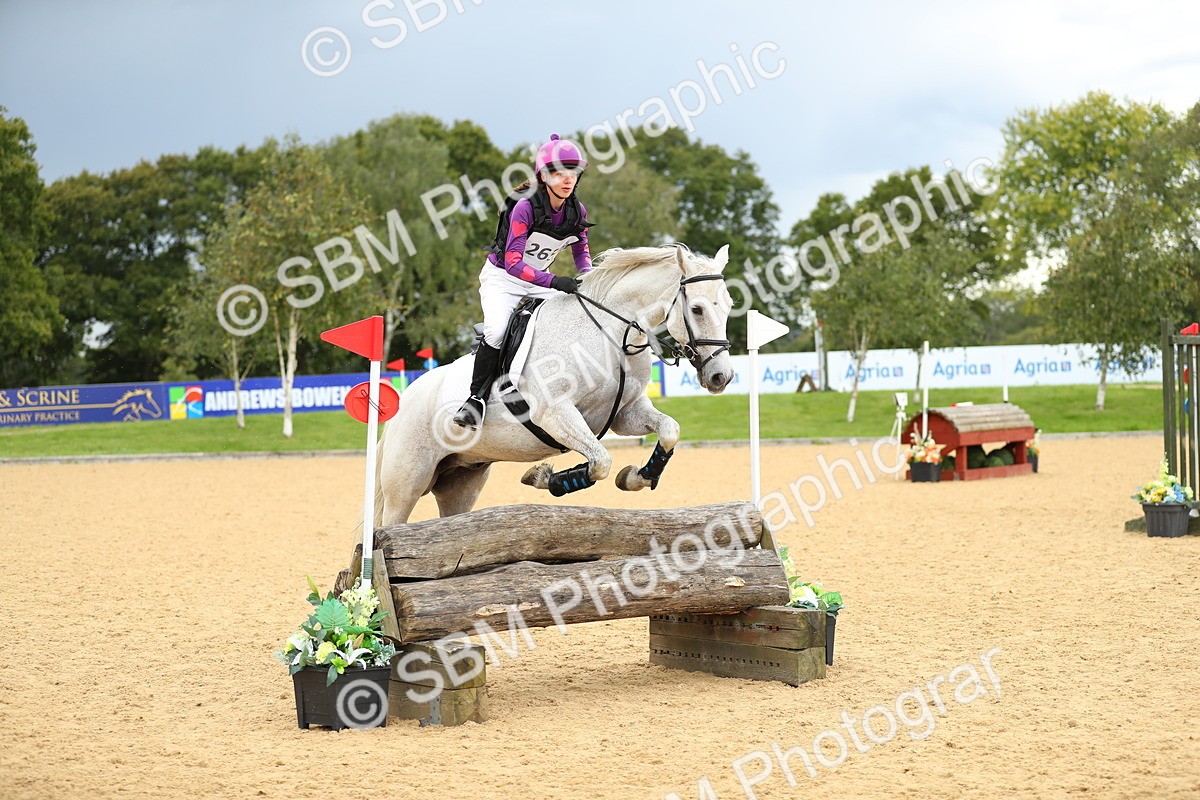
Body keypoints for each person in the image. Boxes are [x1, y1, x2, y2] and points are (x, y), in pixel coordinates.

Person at [452, 134, 594, 429]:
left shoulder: (576, 211)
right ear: (543, 175)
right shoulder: (525, 207)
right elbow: (514, 264)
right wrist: (555, 281)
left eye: (573, 172)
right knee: (497, 330)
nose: (567, 179)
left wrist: (588, 277)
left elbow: (581, 250)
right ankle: (475, 399)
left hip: (540, 281)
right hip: (503, 278)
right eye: (559, 172)